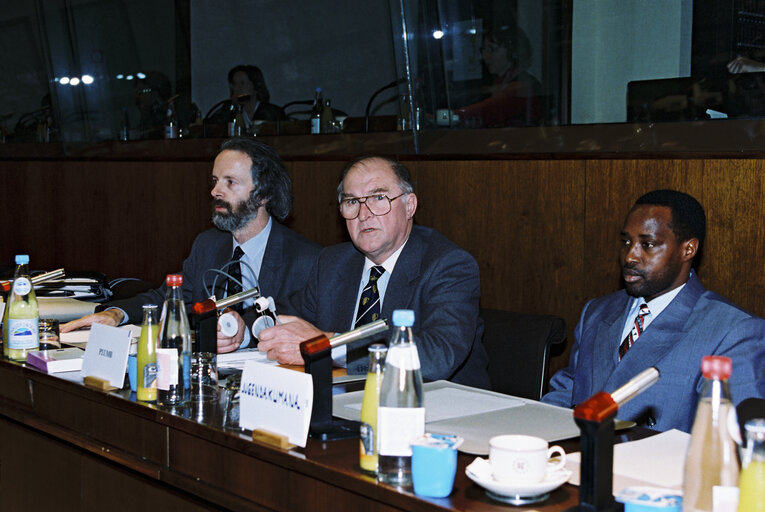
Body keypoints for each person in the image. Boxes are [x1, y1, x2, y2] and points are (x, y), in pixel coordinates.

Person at [61, 137, 321, 353]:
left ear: (264, 194)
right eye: (215, 181)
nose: (215, 191)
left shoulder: (306, 259)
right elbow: (166, 297)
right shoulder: (208, 245)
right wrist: (116, 314)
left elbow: (293, 323)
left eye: (230, 182)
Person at [257, 156, 490, 389]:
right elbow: (283, 315)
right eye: (352, 202)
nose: (363, 214)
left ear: (409, 206)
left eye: (378, 198)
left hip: (435, 410)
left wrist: (332, 346)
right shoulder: (333, 262)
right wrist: (240, 330)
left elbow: (438, 356)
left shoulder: (448, 265)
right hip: (343, 404)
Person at [542, 190, 765, 432]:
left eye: (647, 245)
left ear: (687, 249)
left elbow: (732, 442)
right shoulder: (597, 311)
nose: (630, 256)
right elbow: (567, 393)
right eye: (626, 242)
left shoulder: (733, 331)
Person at [455, 25, 542, 127]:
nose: (484, 56)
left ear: (512, 51)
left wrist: (443, 117)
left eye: (492, 49)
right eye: (483, 50)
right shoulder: (500, 82)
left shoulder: (522, 87)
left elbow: (482, 111)